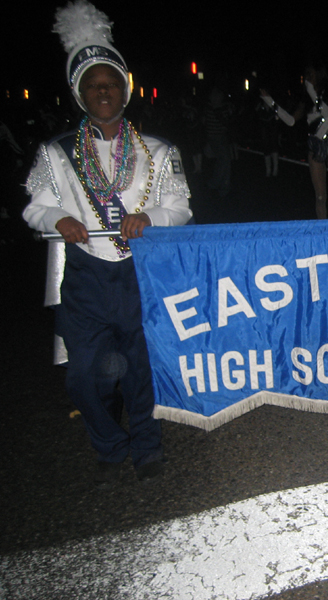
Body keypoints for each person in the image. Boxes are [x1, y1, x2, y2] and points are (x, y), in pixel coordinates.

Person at [23, 1, 193, 485]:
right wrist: (59, 219)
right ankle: (108, 441)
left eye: (111, 83)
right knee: (83, 377)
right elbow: (34, 206)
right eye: (94, 85)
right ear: (81, 93)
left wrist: (149, 217)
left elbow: (181, 207)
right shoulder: (55, 153)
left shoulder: (159, 151)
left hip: (140, 273)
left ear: (125, 90)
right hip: (86, 277)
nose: (104, 91)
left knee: (141, 367)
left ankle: (145, 446)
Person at [260, 64, 328, 219]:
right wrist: (270, 102)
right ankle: (323, 230)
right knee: (320, 195)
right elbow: (290, 121)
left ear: (319, 74)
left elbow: (326, 112)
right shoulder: (305, 99)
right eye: (306, 74)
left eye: (311, 73)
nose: (308, 77)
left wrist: (311, 90)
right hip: (315, 145)